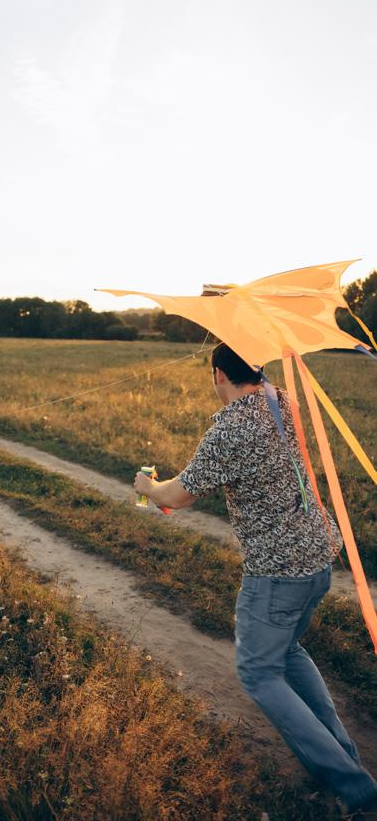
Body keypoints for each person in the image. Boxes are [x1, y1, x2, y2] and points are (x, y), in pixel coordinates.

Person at [133, 342, 377, 818]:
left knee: (258, 672)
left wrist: (148, 488)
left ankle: (357, 791)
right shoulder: (280, 399)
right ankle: (341, 755)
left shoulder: (232, 428)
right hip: (318, 558)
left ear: (219, 375)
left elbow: (179, 496)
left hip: (277, 574)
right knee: (285, 652)